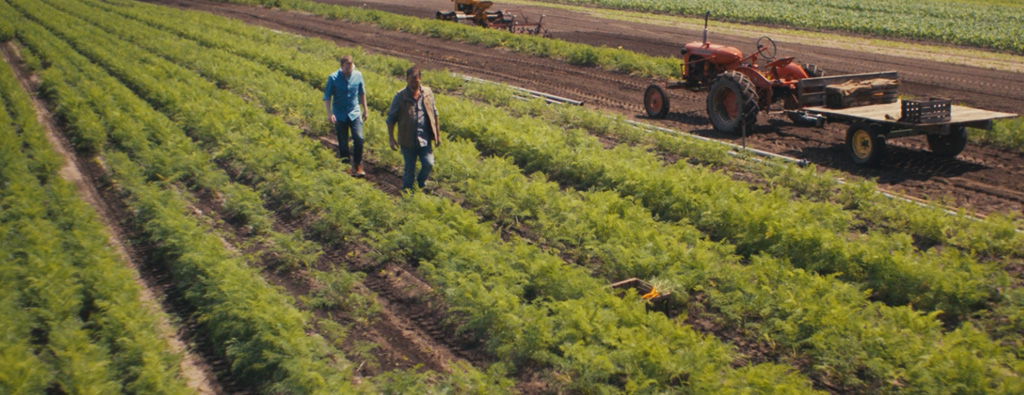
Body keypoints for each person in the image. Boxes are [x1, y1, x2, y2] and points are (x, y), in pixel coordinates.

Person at [387, 66, 441, 191]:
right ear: (406, 79)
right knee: (409, 169)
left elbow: (435, 113)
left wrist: (438, 135)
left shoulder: (427, 93)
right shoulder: (400, 97)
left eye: (416, 80)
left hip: (424, 138)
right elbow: (391, 119)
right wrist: (391, 138)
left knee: (429, 163)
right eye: (411, 80)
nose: (414, 83)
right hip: (407, 139)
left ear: (420, 79)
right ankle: (407, 194)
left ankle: (421, 183)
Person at [323, 55, 368, 177]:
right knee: (343, 142)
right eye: (347, 68)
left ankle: (358, 165)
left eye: (351, 67)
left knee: (359, 138)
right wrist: (330, 113)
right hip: (339, 114)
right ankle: (346, 166)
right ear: (342, 66)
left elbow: (362, 92)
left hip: (355, 112)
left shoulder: (358, 75)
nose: (349, 70)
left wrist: (365, 109)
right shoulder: (333, 78)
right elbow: (327, 97)